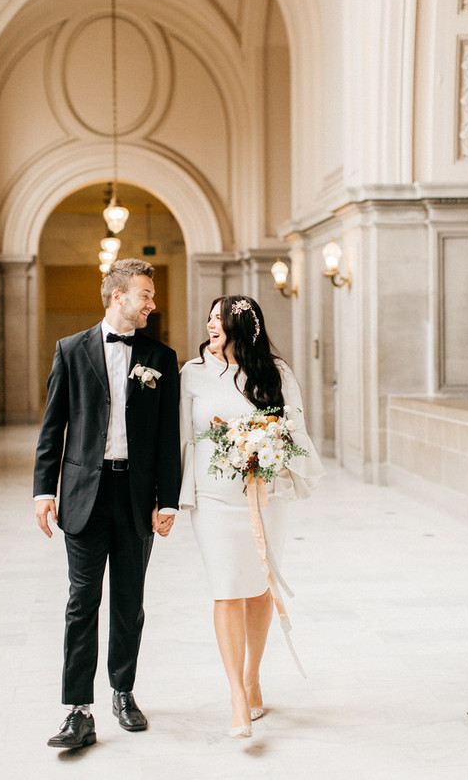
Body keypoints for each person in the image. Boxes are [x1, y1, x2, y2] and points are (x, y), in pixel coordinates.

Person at [34, 258, 181, 749]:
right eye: (145, 294)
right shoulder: (70, 350)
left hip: (136, 497)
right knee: (82, 602)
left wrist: (168, 501)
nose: (152, 303)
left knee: (129, 602)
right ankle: (78, 710)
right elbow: (53, 427)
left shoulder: (161, 357)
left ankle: (123, 692)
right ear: (118, 296)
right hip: (84, 495)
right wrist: (43, 491)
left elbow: (167, 436)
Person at [179, 295, 324, 738]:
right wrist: (170, 498)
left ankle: (252, 676)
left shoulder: (276, 373)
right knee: (226, 589)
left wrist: (270, 451)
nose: (211, 325)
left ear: (243, 327)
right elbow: (181, 437)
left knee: (260, 589)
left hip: (264, 498)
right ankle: (236, 698)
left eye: (219, 319)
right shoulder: (192, 373)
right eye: (209, 318)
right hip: (213, 498)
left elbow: (294, 430)